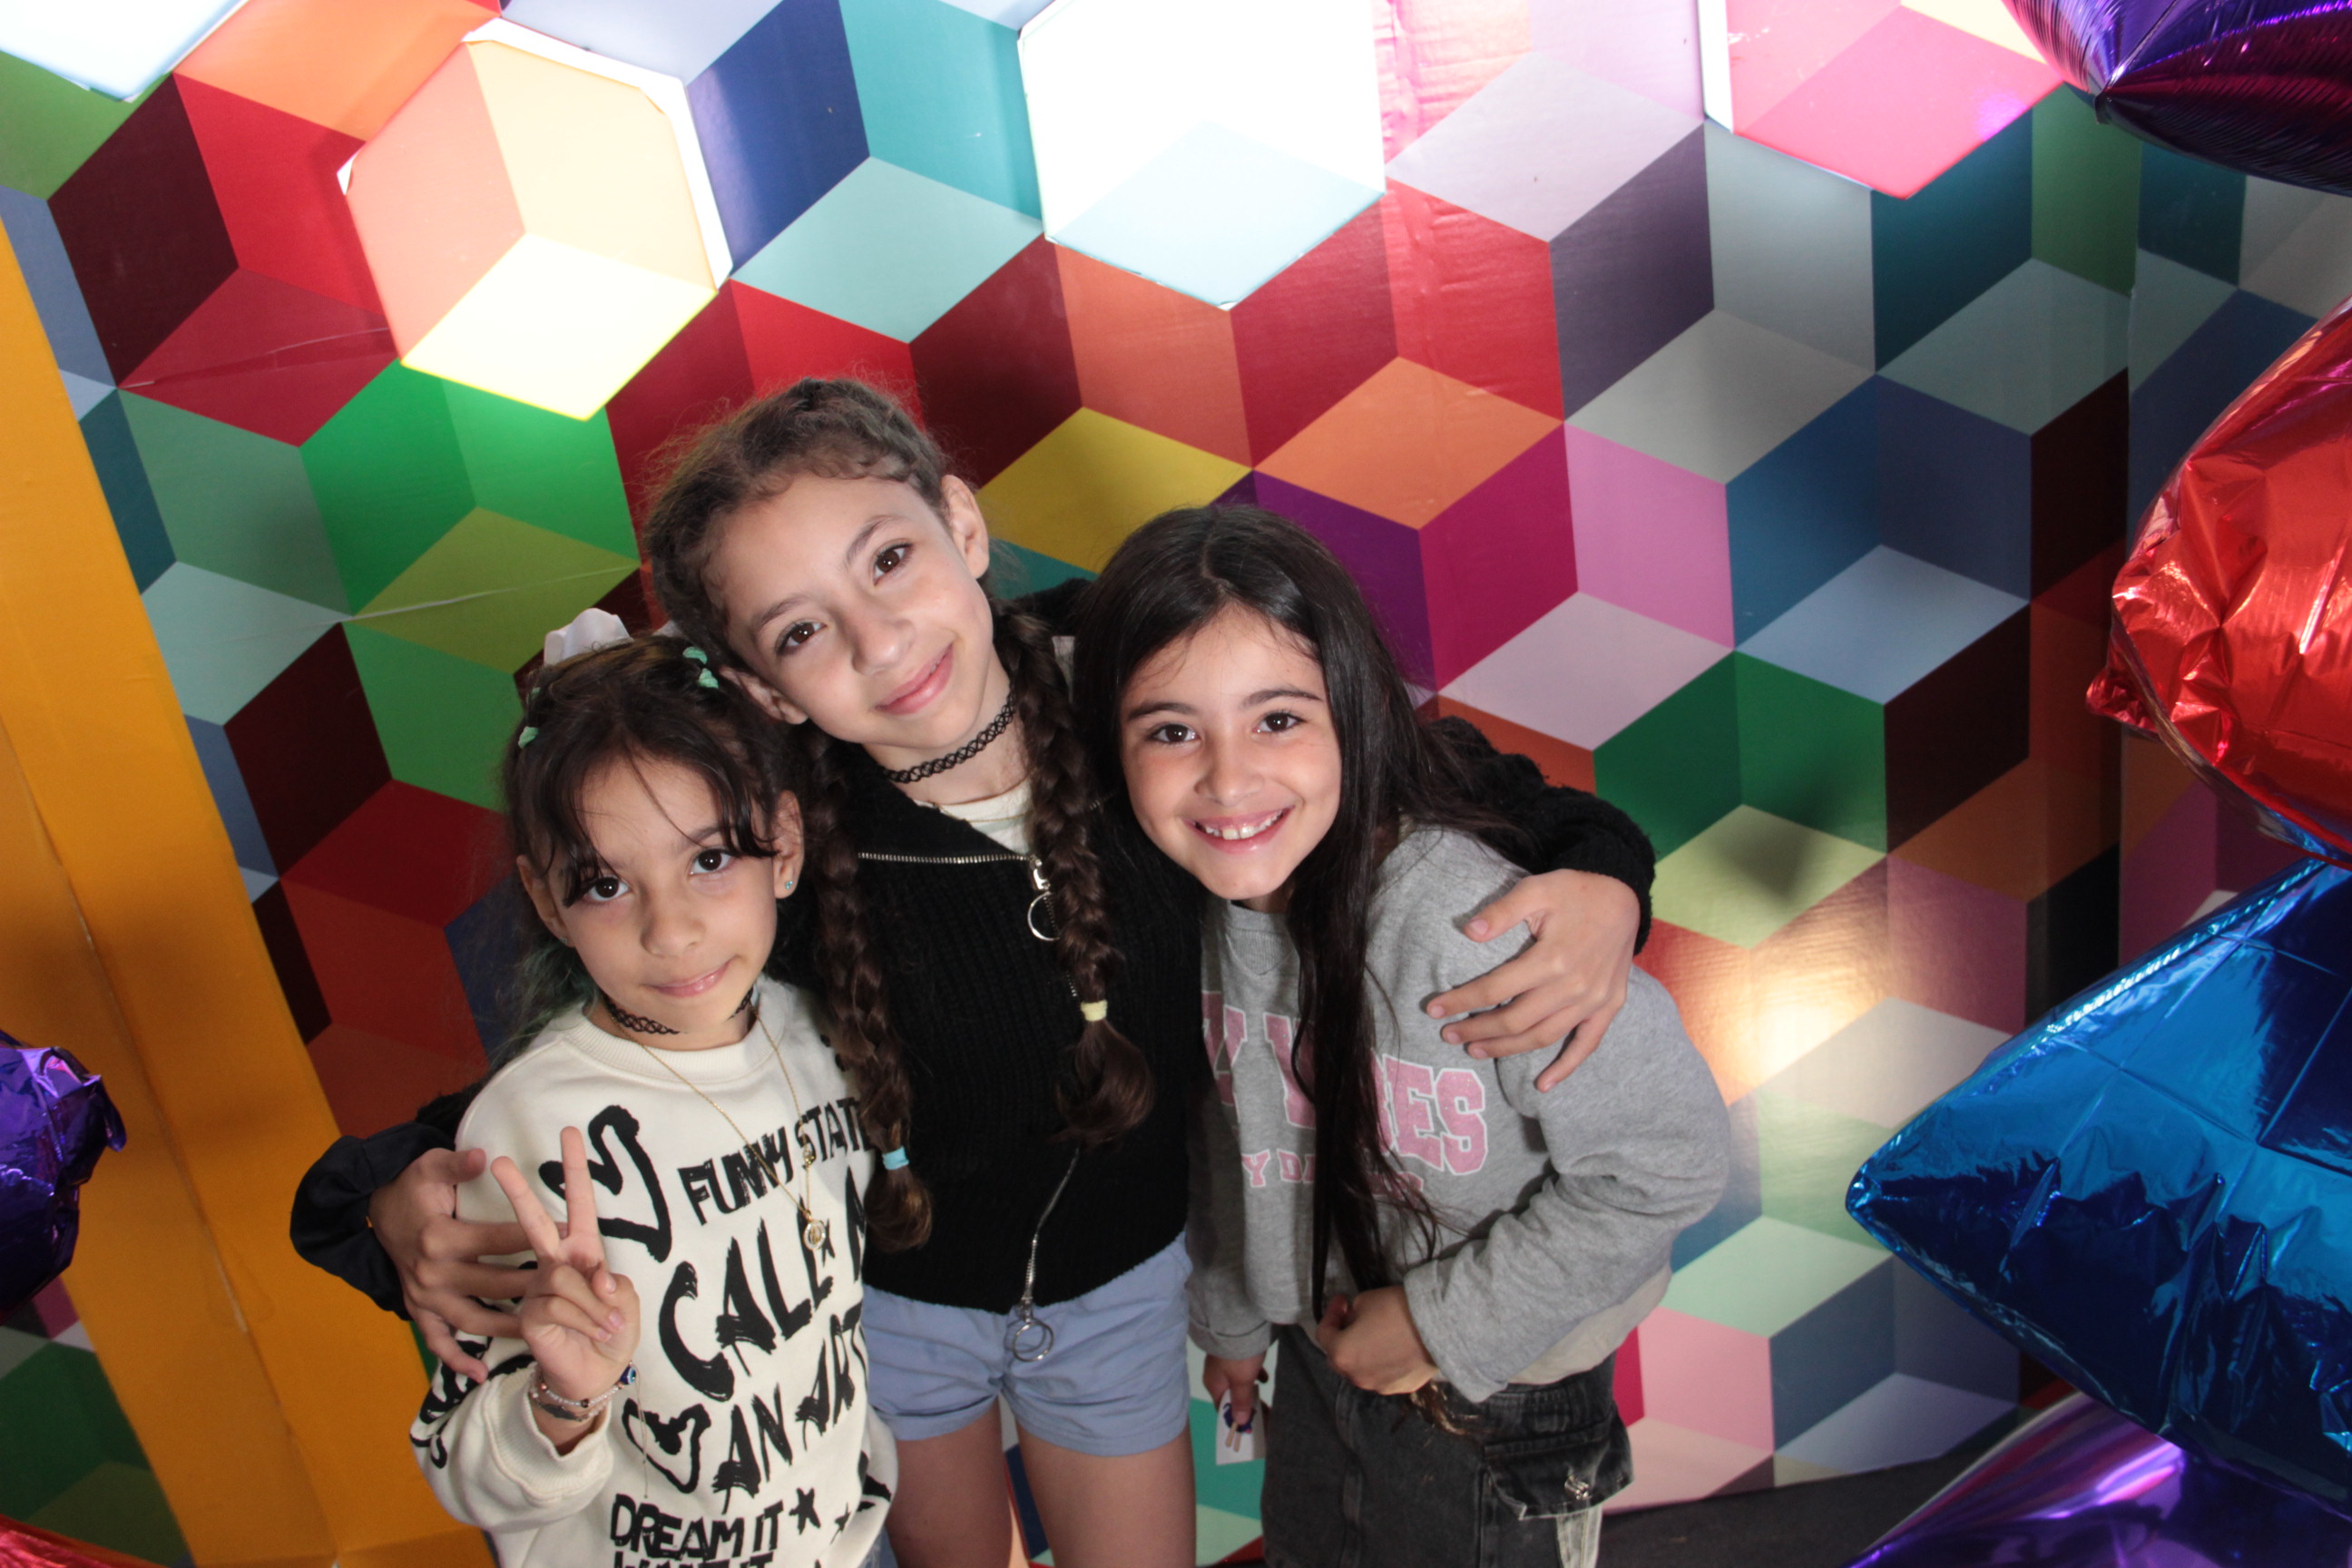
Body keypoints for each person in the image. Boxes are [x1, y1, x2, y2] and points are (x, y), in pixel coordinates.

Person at [293, 379, 1654, 1568]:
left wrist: (1606, 878)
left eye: (890, 558)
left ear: (961, 521)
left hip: (1122, 1291)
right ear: (763, 689)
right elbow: (602, 1059)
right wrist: (385, 1206)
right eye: (801, 632)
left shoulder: (1138, 685)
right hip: (905, 1313)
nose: (880, 641)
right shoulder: (780, 840)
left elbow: (1433, 773)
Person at [1072, 505, 1730, 1568]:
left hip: (1500, 1398)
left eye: (1277, 719)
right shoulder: (1192, 914)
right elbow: (1232, 1135)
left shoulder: (1469, 925)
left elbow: (1668, 1163)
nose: (1228, 779)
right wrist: (1234, 1324)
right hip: (1317, 1355)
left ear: (1357, 712)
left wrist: (1437, 1324)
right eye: (1172, 731)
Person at [409, 636, 892, 1568]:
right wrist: (565, 1401)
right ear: (546, 902)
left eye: (709, 859)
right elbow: (460, 1468)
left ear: (784, 844)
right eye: (604, 884)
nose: (669, 930)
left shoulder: (822, 1035)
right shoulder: (528, 1127)